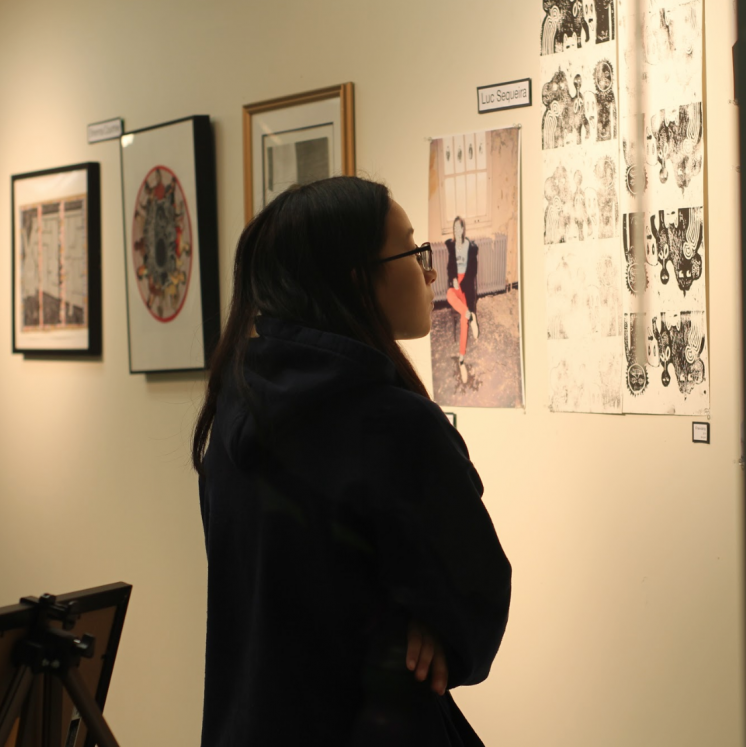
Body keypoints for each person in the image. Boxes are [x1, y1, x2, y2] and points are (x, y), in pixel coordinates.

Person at [192, 177, 511, 746]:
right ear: (356, 278)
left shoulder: (237, 414)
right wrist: (435, 628)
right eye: (414, 252)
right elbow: (474, 609)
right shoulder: (393, 425)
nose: (428, 270)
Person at [444, 217, 480, 385]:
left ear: (463, 229)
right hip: (455, 285)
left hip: (465, 286)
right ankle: (471, 316)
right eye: (455, 228)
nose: (458, 231)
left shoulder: (469, 247)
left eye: (460, 228)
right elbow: (449, 268)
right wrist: (453, 279)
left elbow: (473, 271)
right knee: (449, 295)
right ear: (454, 230)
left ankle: (461, 359)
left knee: (463, 321)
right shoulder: (452, 247)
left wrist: (463, 281)